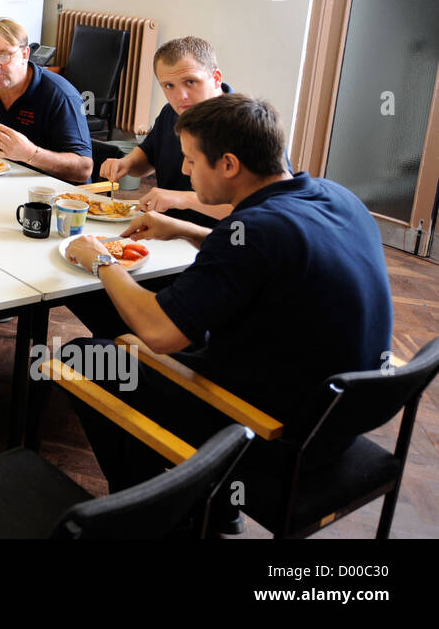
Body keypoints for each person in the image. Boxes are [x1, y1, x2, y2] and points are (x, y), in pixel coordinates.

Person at [61, 94, 393, 496]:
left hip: (270, 433)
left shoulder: (256, 232)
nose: (183, 171)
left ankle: (152, 510)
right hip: (340, 415)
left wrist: (101, 260)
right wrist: (185, 229)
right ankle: (213, 505)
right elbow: (264, 258)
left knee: (81, 358)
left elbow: (160, 333)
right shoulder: (334, 195)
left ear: (229, 164)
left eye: (191, 161)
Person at [99, 36, 233, 227]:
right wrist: (126, 163)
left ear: (216, 78)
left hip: (217, 242)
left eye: (191, 82)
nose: (180, 96)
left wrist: (184, 199)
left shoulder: (245, 124)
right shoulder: (172, 112)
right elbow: (148, 157)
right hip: (166, 230)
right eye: (169, 86)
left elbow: (260, 208)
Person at [0, 18, 92, 182]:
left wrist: (31, 154)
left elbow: (84, 169)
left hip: (54, 194)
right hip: (6, 180)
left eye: (4, 56)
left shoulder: (60, 96)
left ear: (25, 54)